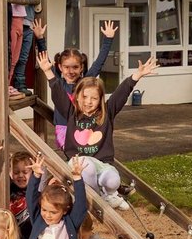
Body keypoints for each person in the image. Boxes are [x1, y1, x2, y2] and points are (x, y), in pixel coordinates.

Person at [38, 51, 160, 209]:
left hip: (102, 164)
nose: (88, 102)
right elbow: (57, 93)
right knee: (86, 163)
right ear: (77, 98)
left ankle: (109, 195)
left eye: (94, 98)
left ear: (100, 99)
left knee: (113, 181)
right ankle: (97, 199)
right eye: (84, 97)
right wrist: (48, 72)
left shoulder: (106, 113)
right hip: (78, 164)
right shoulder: (71, 112)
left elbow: (121, 93)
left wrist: (137, 75)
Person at [32, 18, 117, 150]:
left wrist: (108, 39)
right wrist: (40, 38)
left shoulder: (85, 83)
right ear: (60, 67)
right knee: (72, 154)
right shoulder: (57, 81)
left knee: (85, 156)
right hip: (63, 129)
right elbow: (45, 60)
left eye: (75, 67)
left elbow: (99, 63)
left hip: (82, 127)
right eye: (66, 67)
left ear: (81, 68)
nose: (71, 71)